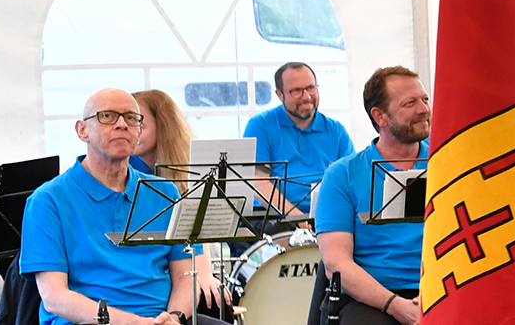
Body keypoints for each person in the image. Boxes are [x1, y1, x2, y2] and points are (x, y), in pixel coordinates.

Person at [19, 88, 226, 325]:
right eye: (107, 116)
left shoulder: (166, 192)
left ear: (138, 132)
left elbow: (185, 278)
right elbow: (55, 298)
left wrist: (175, 318)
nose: (121, 124)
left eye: (131, 118)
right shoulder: (48, 200)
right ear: (82, 130)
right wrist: (134, 322)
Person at [314, 67, 431, 325]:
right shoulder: (342, 175)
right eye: (410, 103)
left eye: (425, 99)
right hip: (372, 299)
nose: (424, 109)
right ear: (380, 116)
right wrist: (394, 305)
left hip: (447, 287)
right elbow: (336, 264)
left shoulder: (448, 161)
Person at [130, 89, 228, 315]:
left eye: (140, 125)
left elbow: (195, 228)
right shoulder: (129, 169)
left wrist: (204, 275)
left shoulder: (191, 167)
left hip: (185, 260)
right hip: (151, 266)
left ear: (163, 126)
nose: (132, 132)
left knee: (215, 300)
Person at [245, 62, 354, 217]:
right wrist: (299, 220)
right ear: (279, 94)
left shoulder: (336, 131)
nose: (306, 97)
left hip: (327, 217)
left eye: (311, 88)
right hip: (274, 218)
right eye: (296, 91)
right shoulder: (261, 125)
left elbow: (351, 182)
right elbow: (258, 183)